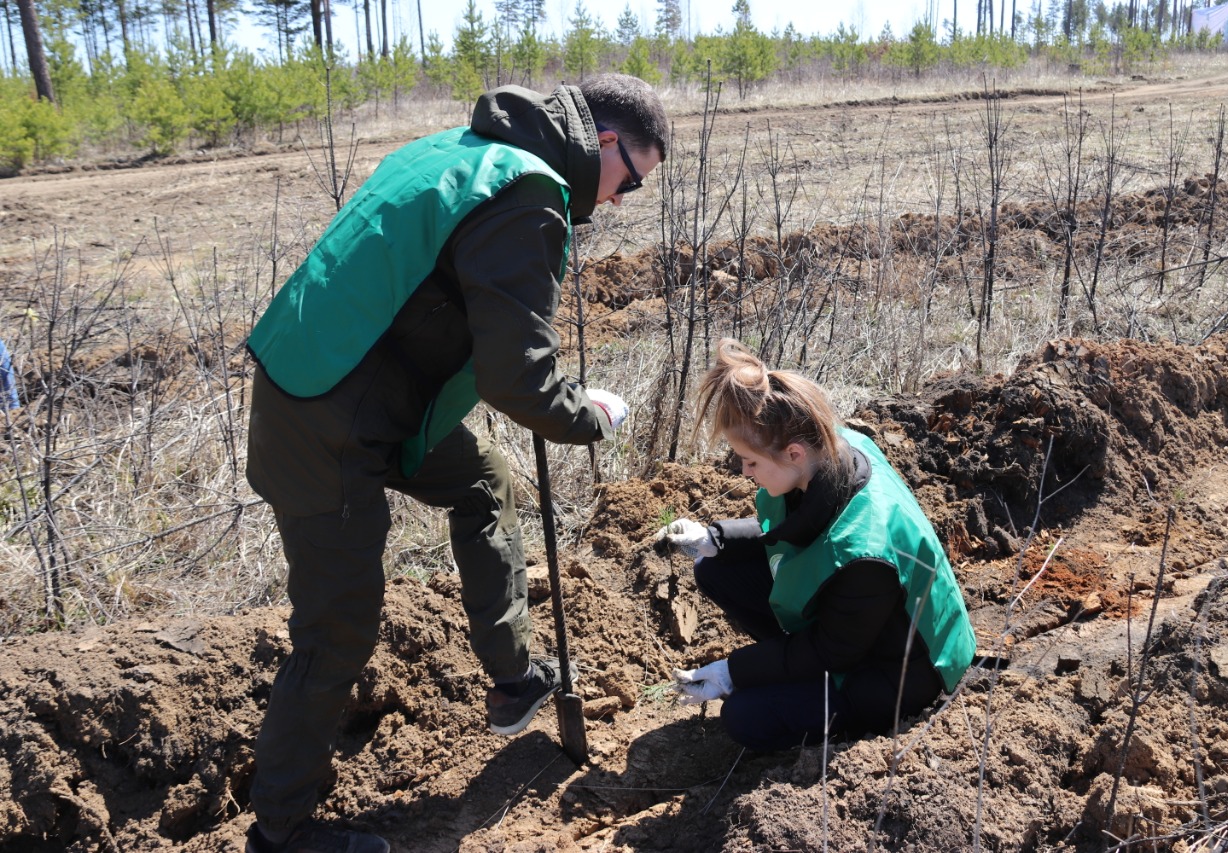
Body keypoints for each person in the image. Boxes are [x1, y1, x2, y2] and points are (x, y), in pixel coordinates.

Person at [242, 74, 668, 853]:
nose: (617, 201)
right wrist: (584, 416)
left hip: (360, 387)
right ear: (605, 142)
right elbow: (515, 378)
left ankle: (514, 680)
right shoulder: (530, 192)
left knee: (483, 480)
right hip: (325, 414)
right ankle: (281, 827)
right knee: (336, 628)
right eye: (630, 181)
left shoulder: (466, 150)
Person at [656, 339, 975, 752]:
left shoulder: (864, 556)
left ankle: (830, 711)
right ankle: (789, 670)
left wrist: (733, 672)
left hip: (901, 671)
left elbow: (832, 649)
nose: (745, 471)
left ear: (793, 453)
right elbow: (799, 525)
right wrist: (715, 539)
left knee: (744, 717)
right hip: (858, 624)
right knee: (715, 566)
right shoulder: (829, 448)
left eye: (751, 462)